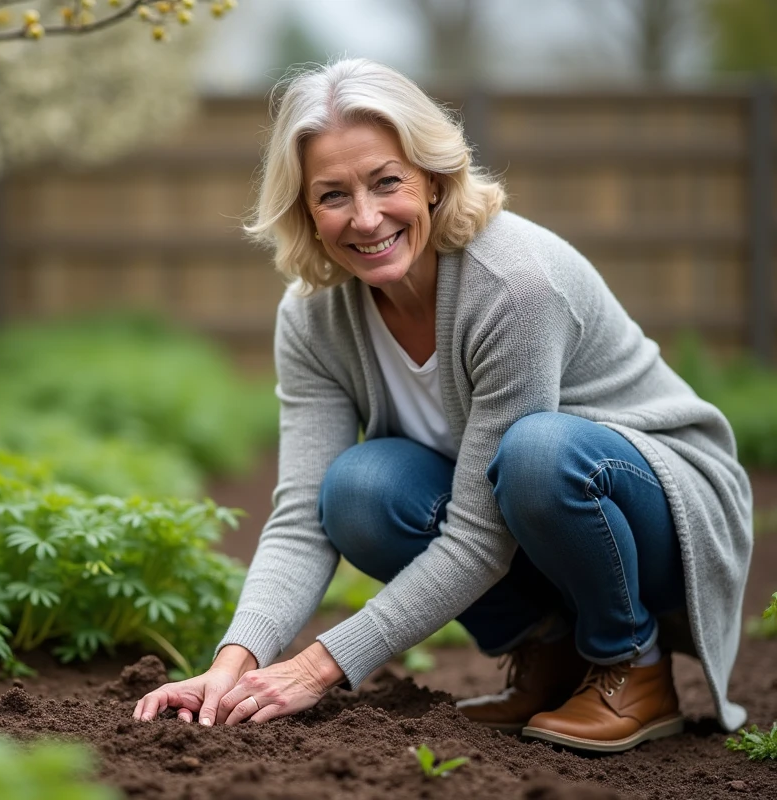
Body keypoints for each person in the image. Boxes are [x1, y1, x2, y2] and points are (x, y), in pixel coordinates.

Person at [132, 58, 754, 753]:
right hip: (523, 512)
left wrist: (319, 666)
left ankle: (630, 663)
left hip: (659, 509)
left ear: (431, 178)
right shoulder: (314, 316)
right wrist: (231, 664)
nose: (365, 218)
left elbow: (481, 531)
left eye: (386, 181)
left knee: (538, 452)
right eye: (333, 194)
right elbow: (304, 514)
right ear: (304, 208)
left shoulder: (514, 287)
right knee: (358, 491)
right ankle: (550, 654)